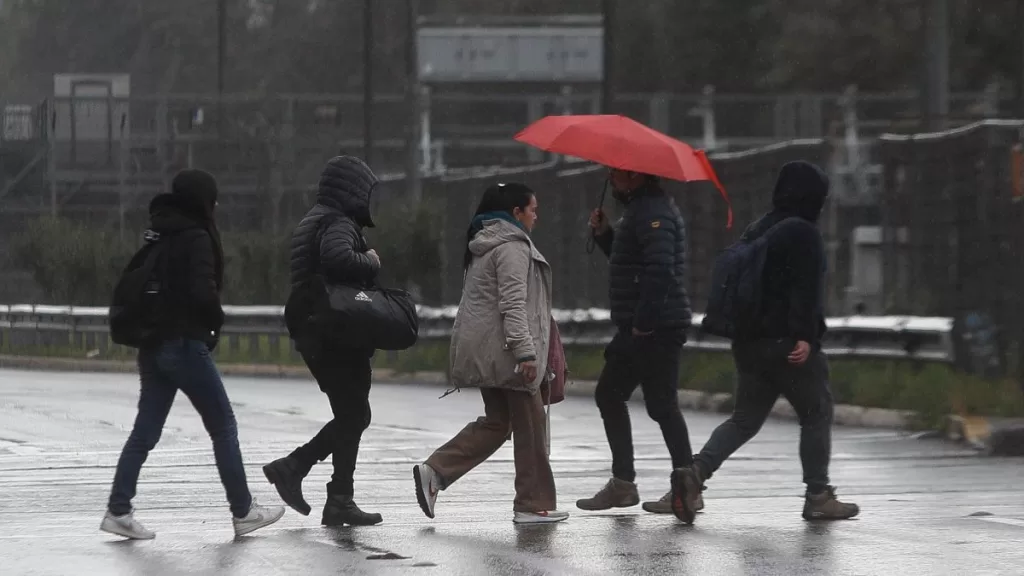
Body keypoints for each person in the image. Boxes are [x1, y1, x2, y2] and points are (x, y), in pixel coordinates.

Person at [671, 161, 860, 523]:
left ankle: (695, 474)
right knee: (817, 412)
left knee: (744, 420)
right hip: (787, 345)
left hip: (748, 344)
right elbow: (806, 291)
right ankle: (818, 494)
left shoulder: (759, 228)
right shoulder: (803, 233)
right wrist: (805, 336)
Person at [102, 169, 285, 540]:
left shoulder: (160, 232)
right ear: (204, 201)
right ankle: (244, 510)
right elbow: (204, 293)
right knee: (223, 426)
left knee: (145, 432)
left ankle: (118, 510)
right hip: (183, 344)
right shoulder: (197, 236)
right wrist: (215, 324)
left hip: (152, 346)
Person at [412, 183, 568, 525]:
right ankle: (532, 504)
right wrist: (527, 353)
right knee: (530, 427)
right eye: (533, 210)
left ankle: (435, 471)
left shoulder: (484, 244)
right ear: (516, 213)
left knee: (498, 423)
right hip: (509, 352)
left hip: (490, 351)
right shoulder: (512, 247)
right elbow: (513, 305)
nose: (536, 216)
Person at [263, 156, 384, 527]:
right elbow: (338, 259)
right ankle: (296, 468)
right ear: (352, 189)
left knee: (351, 414)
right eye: (367, 192)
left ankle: (339, 499)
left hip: (316, 327)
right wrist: (370, 260)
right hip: (333, 330)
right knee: (354, 414)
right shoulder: (336, 221)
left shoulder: (316, 218)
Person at [576, 169, 698, 516]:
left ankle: (686, 487)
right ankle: (625, 484)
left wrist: (644, 323)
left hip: (654, 327)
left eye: (616, 176)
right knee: (612, 395)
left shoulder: (654, 214)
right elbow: (632, 262)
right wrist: (605, 235)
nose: (611, 181)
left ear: (633, 178)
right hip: (640, 326)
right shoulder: (642, 211)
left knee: (661, 404)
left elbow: (660, 271)